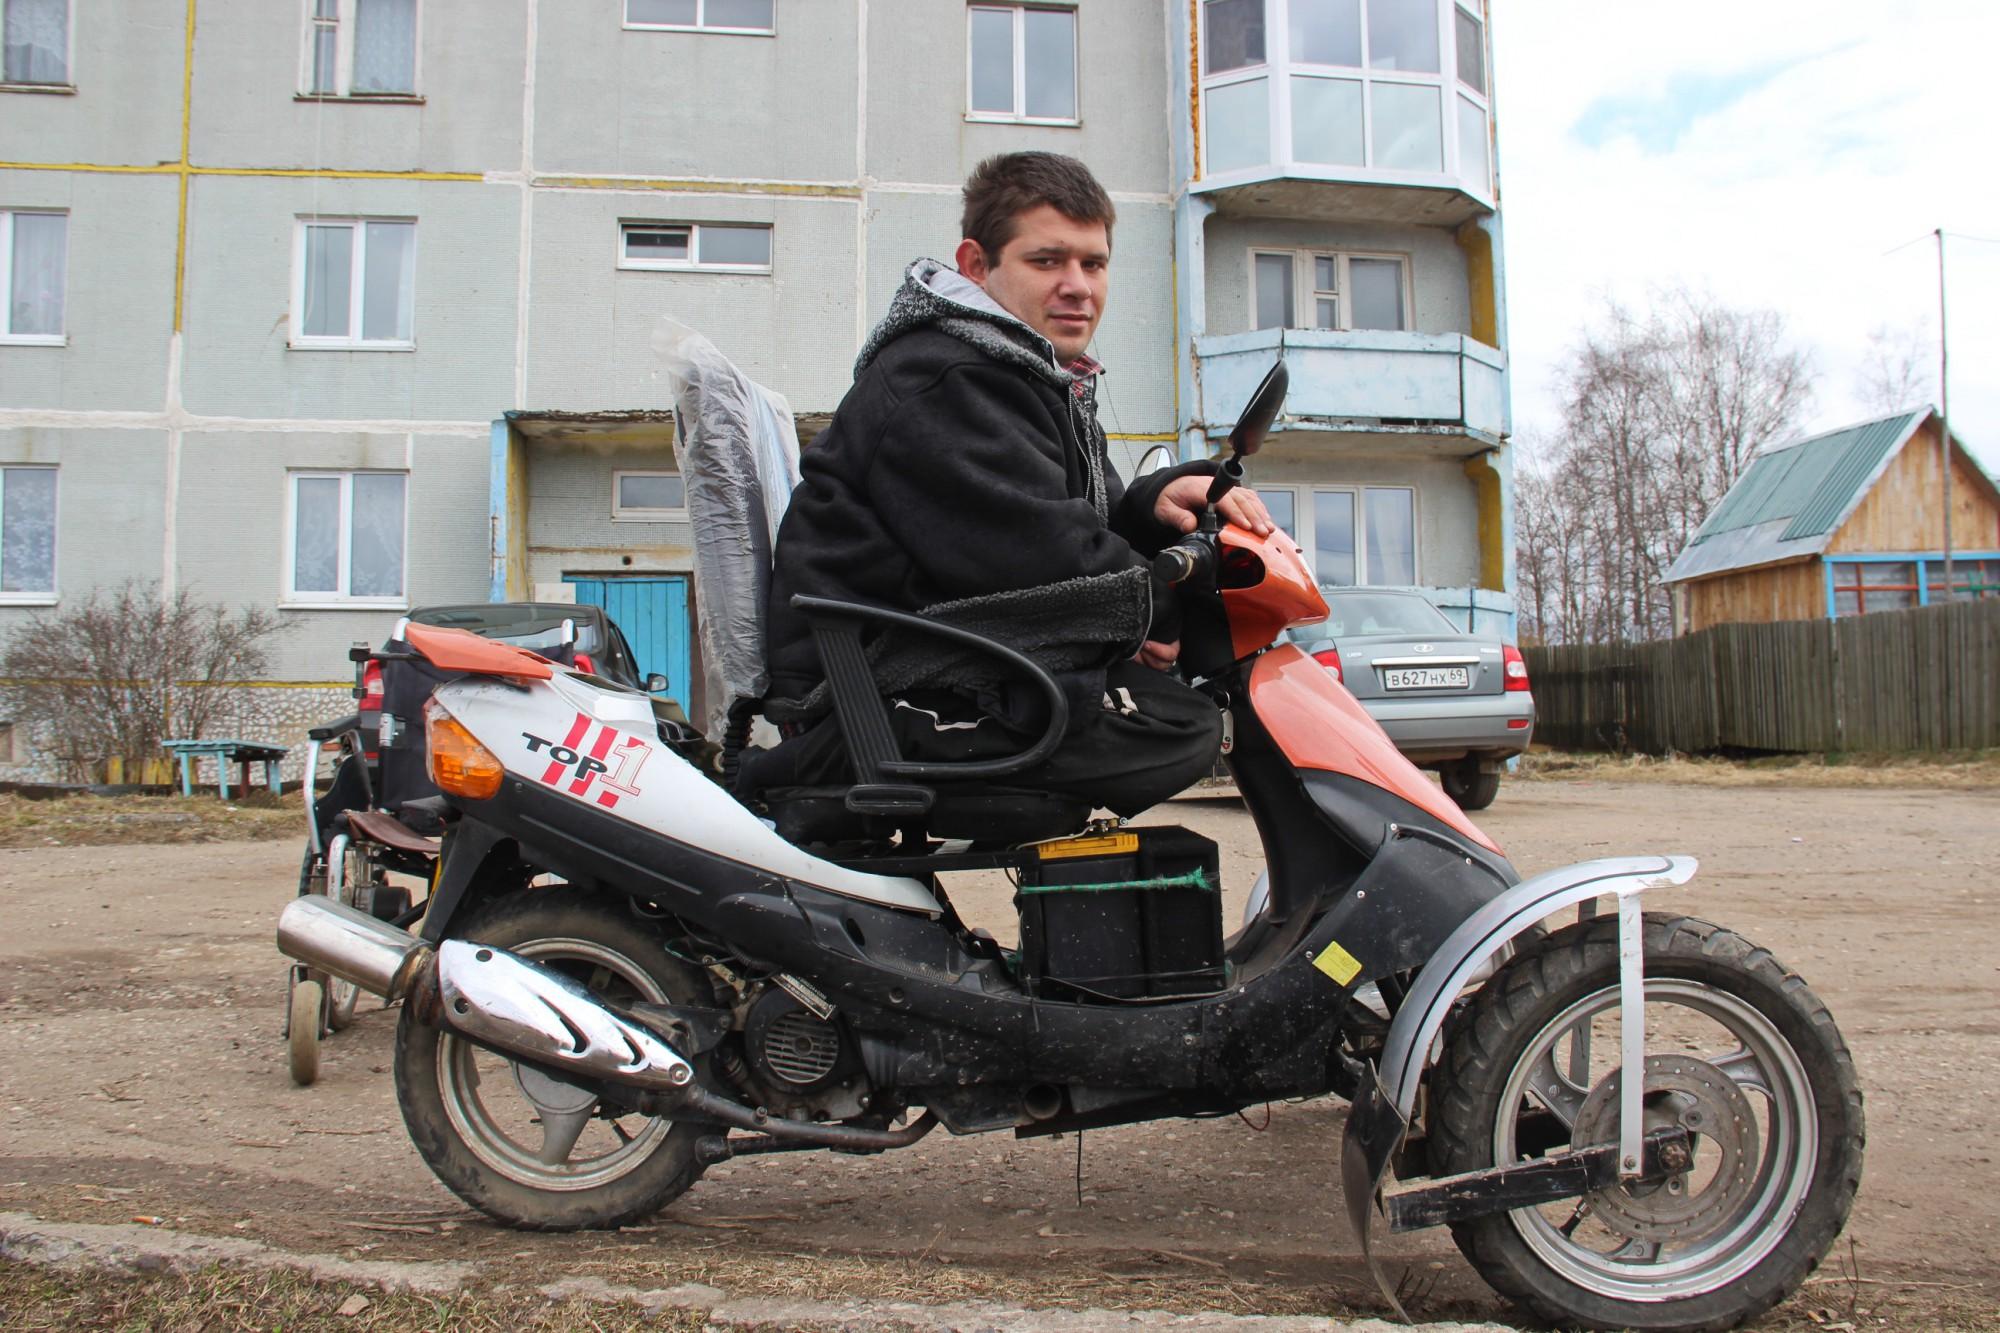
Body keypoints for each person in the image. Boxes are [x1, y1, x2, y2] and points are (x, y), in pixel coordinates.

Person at [752, 152, 1271, 816]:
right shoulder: (944, 378)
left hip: (948, 646)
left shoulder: (1029, 373)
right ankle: (817, 764)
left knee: (1170, 710)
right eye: (1047, 261)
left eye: (1094, 263)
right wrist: (1160, 611)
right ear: (976, 264)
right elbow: (1041, 555)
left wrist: (1157, 501)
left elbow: (1085, 519)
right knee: (1179, 726)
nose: (1078, 286)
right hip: (870, 686)